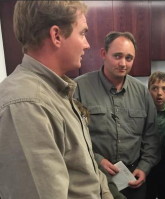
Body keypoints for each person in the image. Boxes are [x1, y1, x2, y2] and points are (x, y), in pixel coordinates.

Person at [0, 1, 112, 199]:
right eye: (82, 33)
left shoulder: (57, 90)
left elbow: (86, 171)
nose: (86, 44)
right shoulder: (27, 105)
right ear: (56, 35)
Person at [74, 31, 160, 199]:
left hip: (133, 179)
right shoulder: (79, 88)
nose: (123, 63)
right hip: (95, 178)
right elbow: (73, 138)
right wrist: (97, 160)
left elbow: (152, 137)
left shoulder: (142, 92)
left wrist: (144, 167)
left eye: (129, 58)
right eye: (117, 56)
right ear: (103, 54)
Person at [146, 71, 165, 199]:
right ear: (148, 90)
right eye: (155, 88)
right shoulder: (142, 112)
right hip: (147, 165)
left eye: (164, 88)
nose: (159, 93)